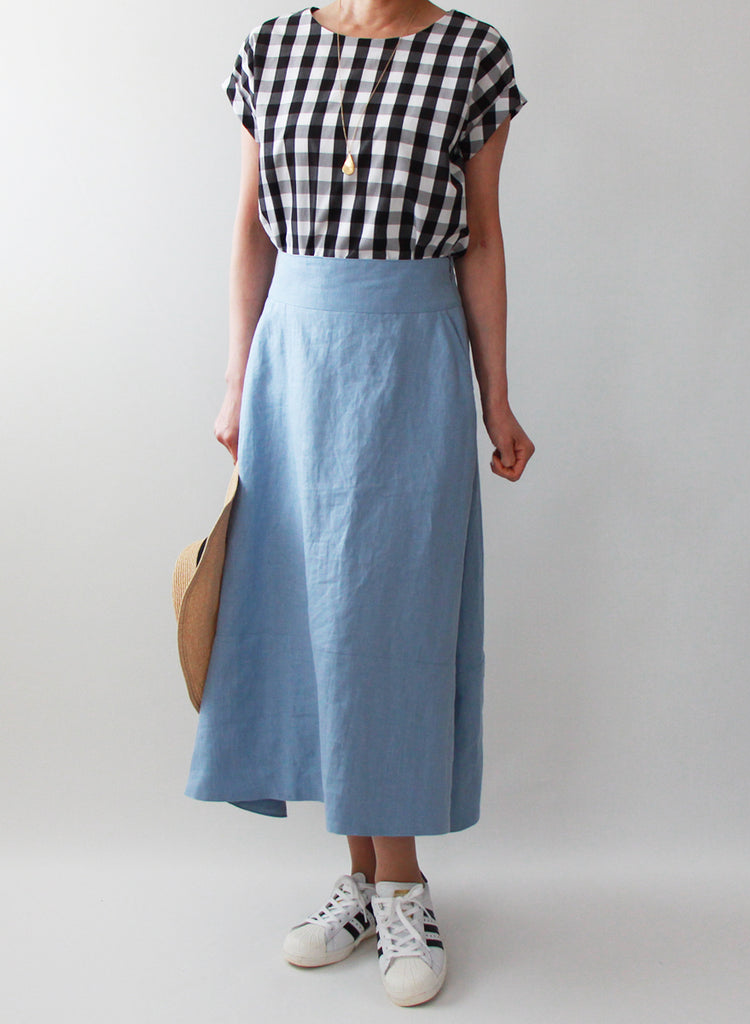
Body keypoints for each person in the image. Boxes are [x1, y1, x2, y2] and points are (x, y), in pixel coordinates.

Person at [185, 0, 534, 1007]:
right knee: (312, 621)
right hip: (295, 362)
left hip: (411, 360)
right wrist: (235, 380)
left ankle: (403, 883)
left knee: (393, 619)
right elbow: (252, 227)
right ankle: (364, 880)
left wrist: (495, 396)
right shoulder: (271, 48)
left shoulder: (473, 53)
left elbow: (481, 241)